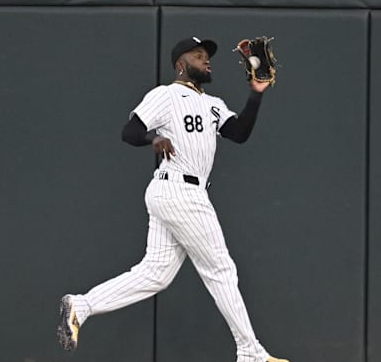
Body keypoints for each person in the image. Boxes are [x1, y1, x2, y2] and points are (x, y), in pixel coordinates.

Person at [57, 36, 288, 362]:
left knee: (155, 274)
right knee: (221, 270)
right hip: (180, 192)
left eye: (207, 55)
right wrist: (154, 137)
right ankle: (252, 355)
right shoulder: (165, 95)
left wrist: (255, 94)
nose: (206, 60)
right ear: (181, 65)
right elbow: (130, 132)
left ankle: (82, 305)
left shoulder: (214, 104)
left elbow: (239, 133)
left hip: (178, 193)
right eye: (198, 55)